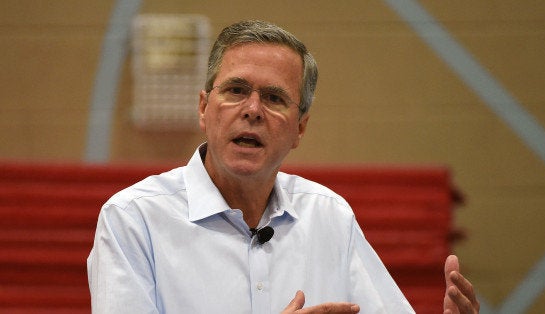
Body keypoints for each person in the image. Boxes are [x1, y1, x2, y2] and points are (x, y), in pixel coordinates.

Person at [87, 20, 479, 314]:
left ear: (299, 128)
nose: (252, 110)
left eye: (274, 98)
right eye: (236, 90)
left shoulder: (329, 216)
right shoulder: (133, 220)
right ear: (204, 108)